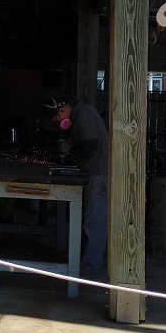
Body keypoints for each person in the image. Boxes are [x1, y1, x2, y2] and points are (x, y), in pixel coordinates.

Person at [46, 96, 108, 279]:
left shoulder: (84, 116)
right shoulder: (80, 115)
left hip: (98, 175)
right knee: (91, 221)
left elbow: (90, 148)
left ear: (62, 110)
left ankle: (91, 268)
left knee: (94, 223)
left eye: (57, 118)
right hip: (93, 173)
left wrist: (70, 149)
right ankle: (87, 262)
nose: (58, 122)